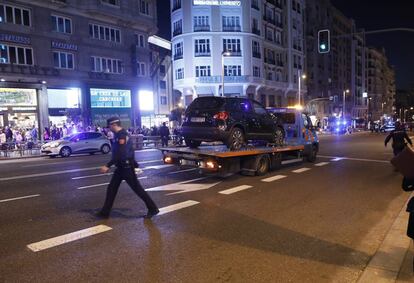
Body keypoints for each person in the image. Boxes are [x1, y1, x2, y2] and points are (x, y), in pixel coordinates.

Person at [98, 117, 159, 219]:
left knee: (137, 189)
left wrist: (107, 165)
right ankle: (105, 212)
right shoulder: (119, 135)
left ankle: (153, 208)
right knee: (111, 188)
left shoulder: (122, 135)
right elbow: (129, 150)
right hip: (122, 167)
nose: (108, 129)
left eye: (109, 126)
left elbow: (121, 153)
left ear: (114, 125)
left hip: (125, 167)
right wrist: (134, 163)